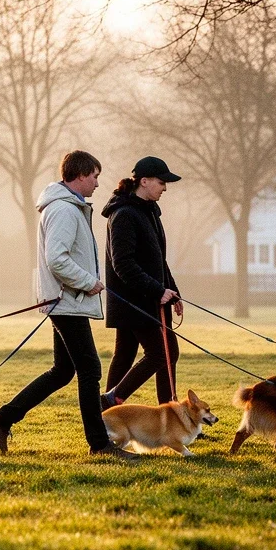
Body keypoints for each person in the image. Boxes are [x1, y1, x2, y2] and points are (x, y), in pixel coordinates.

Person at [0, 151, 138, 460]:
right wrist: (88, 281)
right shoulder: (65, 210)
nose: (96, 182)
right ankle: (100, 444)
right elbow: (57, 258)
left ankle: (2, 419)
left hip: (68, 300)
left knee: (63, 371)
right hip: (68, 301)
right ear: (79, 175)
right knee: (90, 369)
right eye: (94, 175)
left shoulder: (69, 207)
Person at [100, 156, 183, 409]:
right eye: (161, 182)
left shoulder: (149, 213)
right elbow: (122, 263)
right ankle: (110, 402)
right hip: (135, 301)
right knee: (162, 354)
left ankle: (107, 414)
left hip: (151, 297)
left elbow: (158, 259)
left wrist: (173, 292)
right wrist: (158, 290)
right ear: (144, 181)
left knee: (126, 356)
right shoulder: (124, 214)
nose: (165, 188)